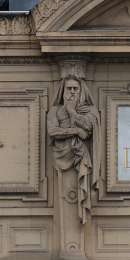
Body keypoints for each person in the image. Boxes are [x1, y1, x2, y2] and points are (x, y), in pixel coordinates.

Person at [47, 75, 101, 224]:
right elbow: (52, 131)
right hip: (62, 154)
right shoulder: (55, 110)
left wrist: (72, 112)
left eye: (75, 89)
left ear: (81, 91)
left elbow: (89, 127)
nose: (72, 92)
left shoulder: (88, 109)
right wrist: (75, 131)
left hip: (80, 154)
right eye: (69, 88)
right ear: (63, 91)